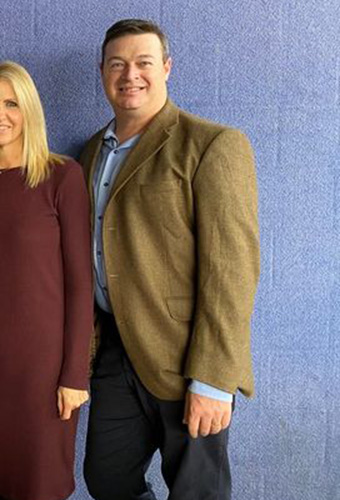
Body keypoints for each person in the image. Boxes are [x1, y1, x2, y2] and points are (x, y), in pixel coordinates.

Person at [80, 19, 260, 500]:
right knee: (106, 478)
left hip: (187, 358)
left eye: (143, 62)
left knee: (196, 491)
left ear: (166, 68)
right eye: (117, 64)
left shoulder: (211, 145)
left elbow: (232, 270)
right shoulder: (88, 156)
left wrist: (215, 379)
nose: (130, 74)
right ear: (101, 72)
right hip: (116, 355)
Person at [0, 61, 93, 500]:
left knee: (41, 484)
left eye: (12, 103)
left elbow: (79, 284)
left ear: (29, 110)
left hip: (44, 367)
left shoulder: (61, 176)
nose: (0, 115)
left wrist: (74, 373)